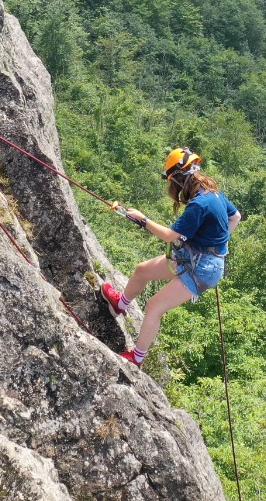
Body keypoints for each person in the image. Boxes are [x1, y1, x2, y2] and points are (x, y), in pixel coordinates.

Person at [101, 148, 240, 366]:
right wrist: (218, 242)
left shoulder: (200, 204)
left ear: (178, 178)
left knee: (154, 307)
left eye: (171, 181)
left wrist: (144, 220)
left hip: (204, 267)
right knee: (142, 270)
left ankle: (136, 358)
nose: (171, 187)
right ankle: (120, 304)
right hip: (195, 255)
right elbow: (236, 217)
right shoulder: (212, 192)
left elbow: (169, 236)